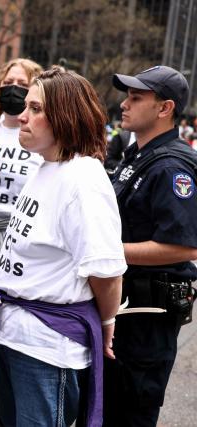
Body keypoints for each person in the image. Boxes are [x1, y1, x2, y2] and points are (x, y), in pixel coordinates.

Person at [0, 67, 126, 427]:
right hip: (12, 332)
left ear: (66, 117)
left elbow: (105, 272)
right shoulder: (45, 167)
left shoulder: (84, 180)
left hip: (47, 348)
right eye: (26, 106)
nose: (23, 116)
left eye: (37, 108)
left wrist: (106, 322)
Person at [105, 66, 197, 426]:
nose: (124, 104)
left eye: (136, 97)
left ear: (165, 108)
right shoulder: (138, 155)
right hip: (126, 309)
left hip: (147, 317)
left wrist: (108, 250)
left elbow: (184, 246)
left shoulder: (172, 165)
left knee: (131, 412)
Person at [0, 57, 43, 424]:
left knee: (5, 326)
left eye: (23, 81)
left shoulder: (35, 132)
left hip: (17, 244)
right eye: (9, 80)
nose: (14, 86)